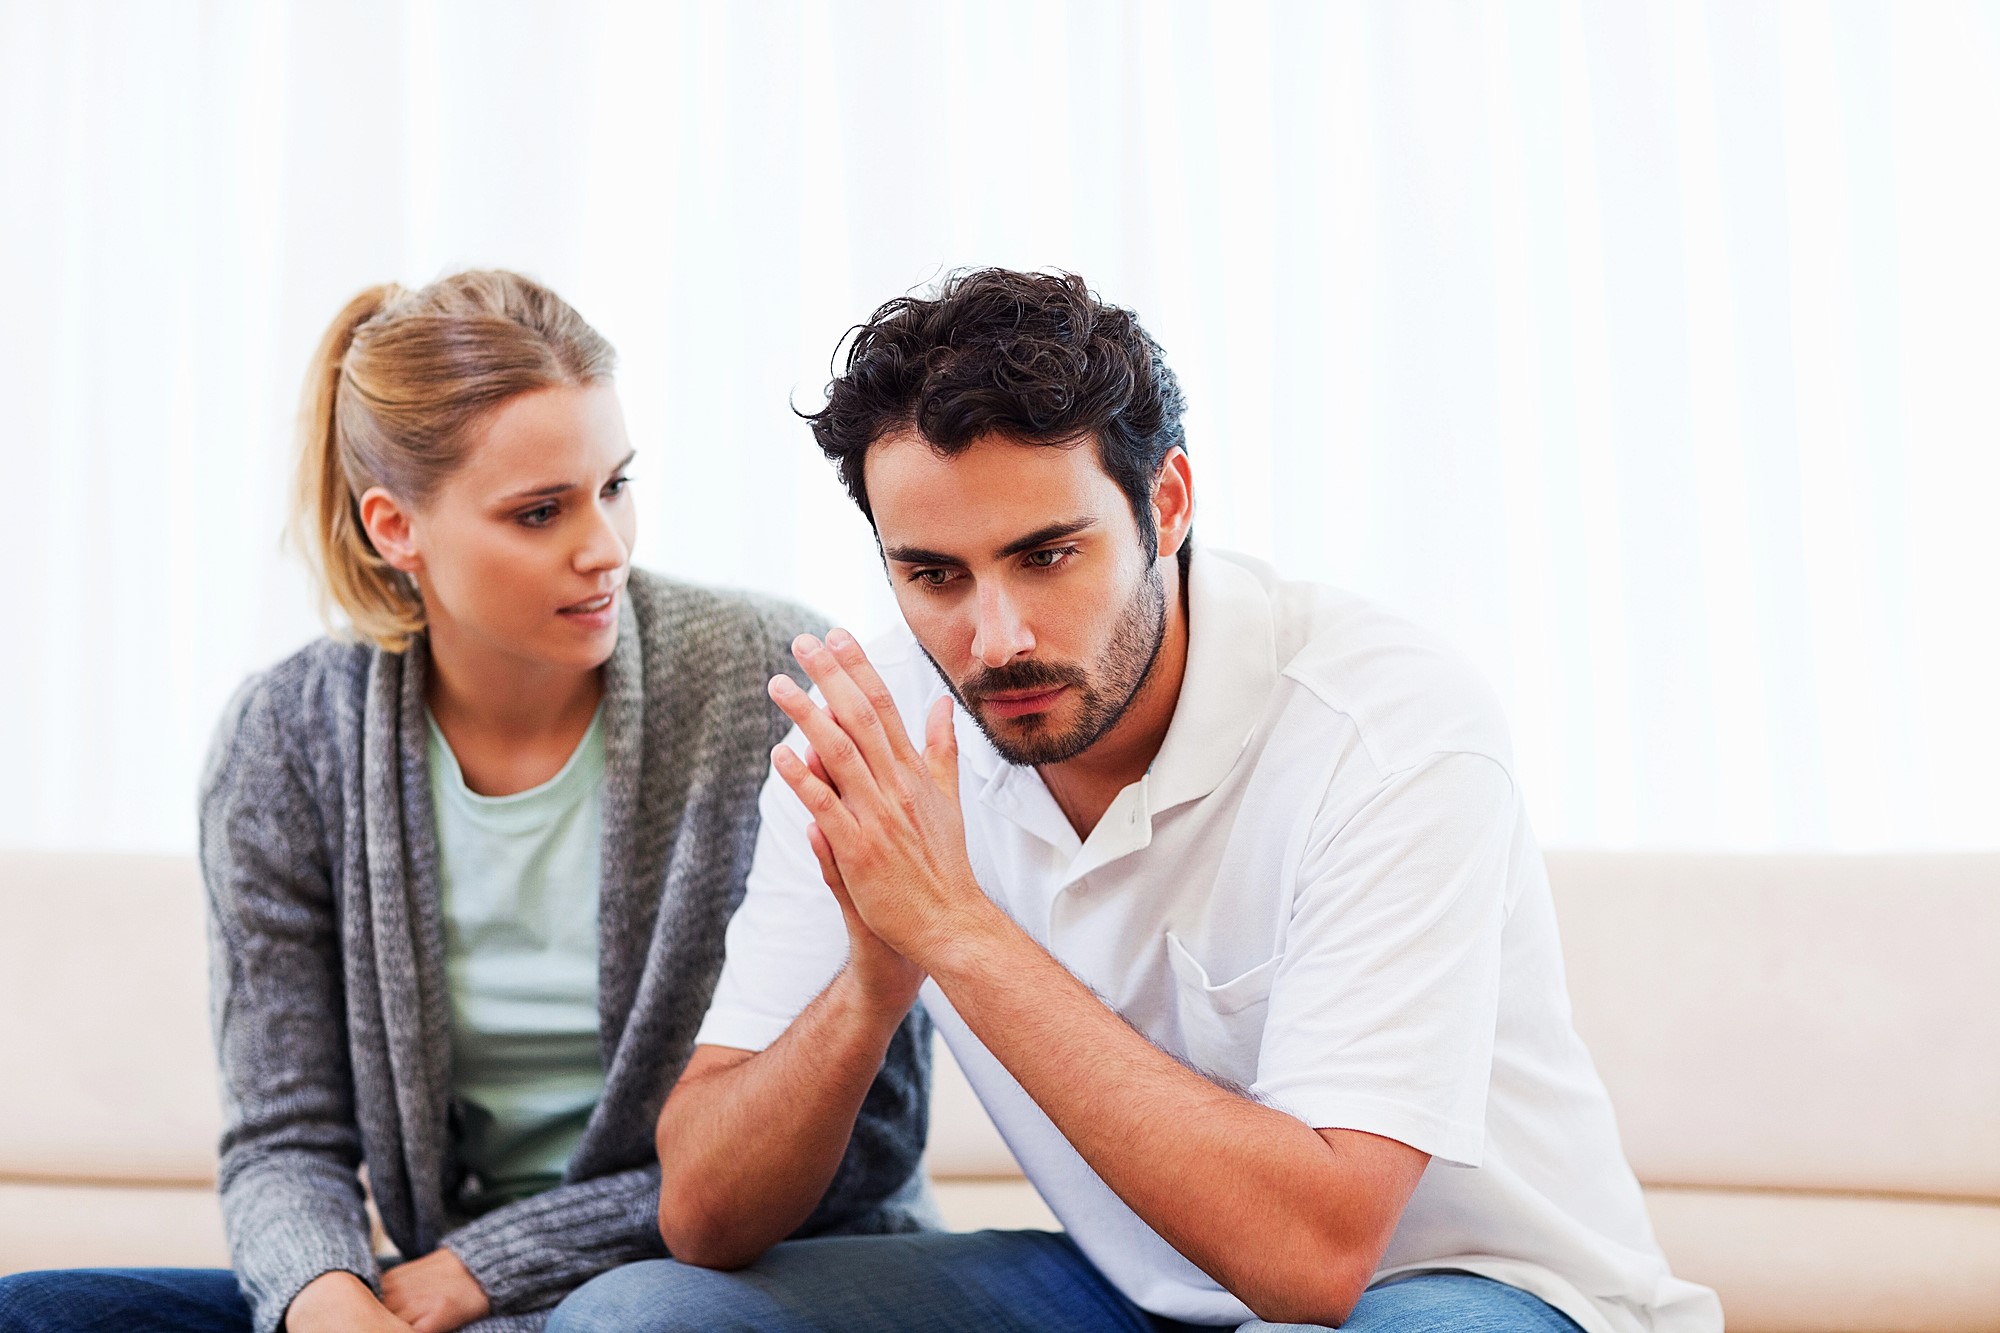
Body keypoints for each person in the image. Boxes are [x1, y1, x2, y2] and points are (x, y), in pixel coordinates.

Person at [549, 269, 1725, 1333]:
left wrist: (953, 928)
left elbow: (1312, 1261)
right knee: (638, 1317)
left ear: (1164, 505)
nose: (994, 637)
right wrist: (873, 978)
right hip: (1121, 1297)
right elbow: (702, 1214)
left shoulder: (1387, 726)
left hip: (1459, 1289)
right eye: (932, 574)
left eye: (1046, 555)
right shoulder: (881, 728)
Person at [0, 271, 932, 1333]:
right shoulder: (286, 741)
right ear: (395, 526)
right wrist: (325, 1302)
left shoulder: (768, 682)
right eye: (540, 512)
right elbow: (283, 1139)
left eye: (615, 485)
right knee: (40, 1312)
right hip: (437, 1294)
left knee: (628, 1322)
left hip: (724, 1281)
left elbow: (871, 1134)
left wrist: (493, 1265)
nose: (606, 549)